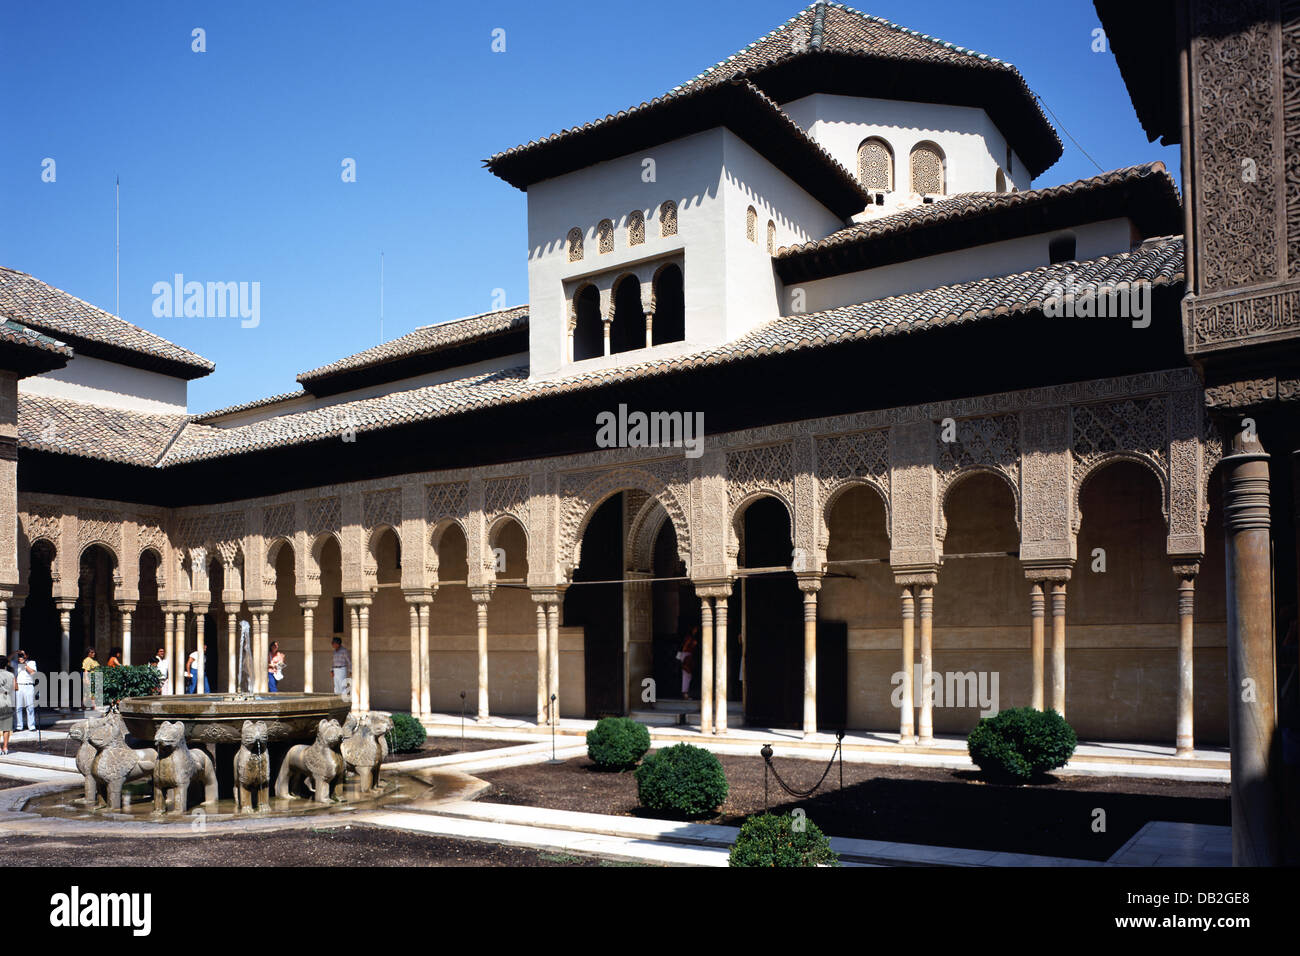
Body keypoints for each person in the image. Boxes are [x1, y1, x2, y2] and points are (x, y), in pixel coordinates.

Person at [12, 650, 36, 733]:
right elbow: (6, 660)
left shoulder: (31, 662)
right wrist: (14, 653)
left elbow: (33, 672)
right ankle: (19, 726)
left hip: (28, 685)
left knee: (30, 707)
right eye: (19, 655)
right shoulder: (15, 663)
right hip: (19, 686)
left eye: (22, 655)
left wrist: (24, 664)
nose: (20, 657)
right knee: (18, 707)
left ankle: (31, 726)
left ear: (26, 656)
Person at [677, 626, 700, 700]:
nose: (696, 630)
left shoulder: (691, 637)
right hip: (686, 655)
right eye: (694, 629)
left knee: (688, 676)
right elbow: (685, 647)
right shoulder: (689, 638)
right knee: (686, 675)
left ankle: (685, 692)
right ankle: (685, 693)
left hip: (687, 655)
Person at [0, 655, 13, 755]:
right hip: (7, 700)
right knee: (6, 726)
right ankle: (5, 747)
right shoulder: (11, 675)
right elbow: (15, 687)